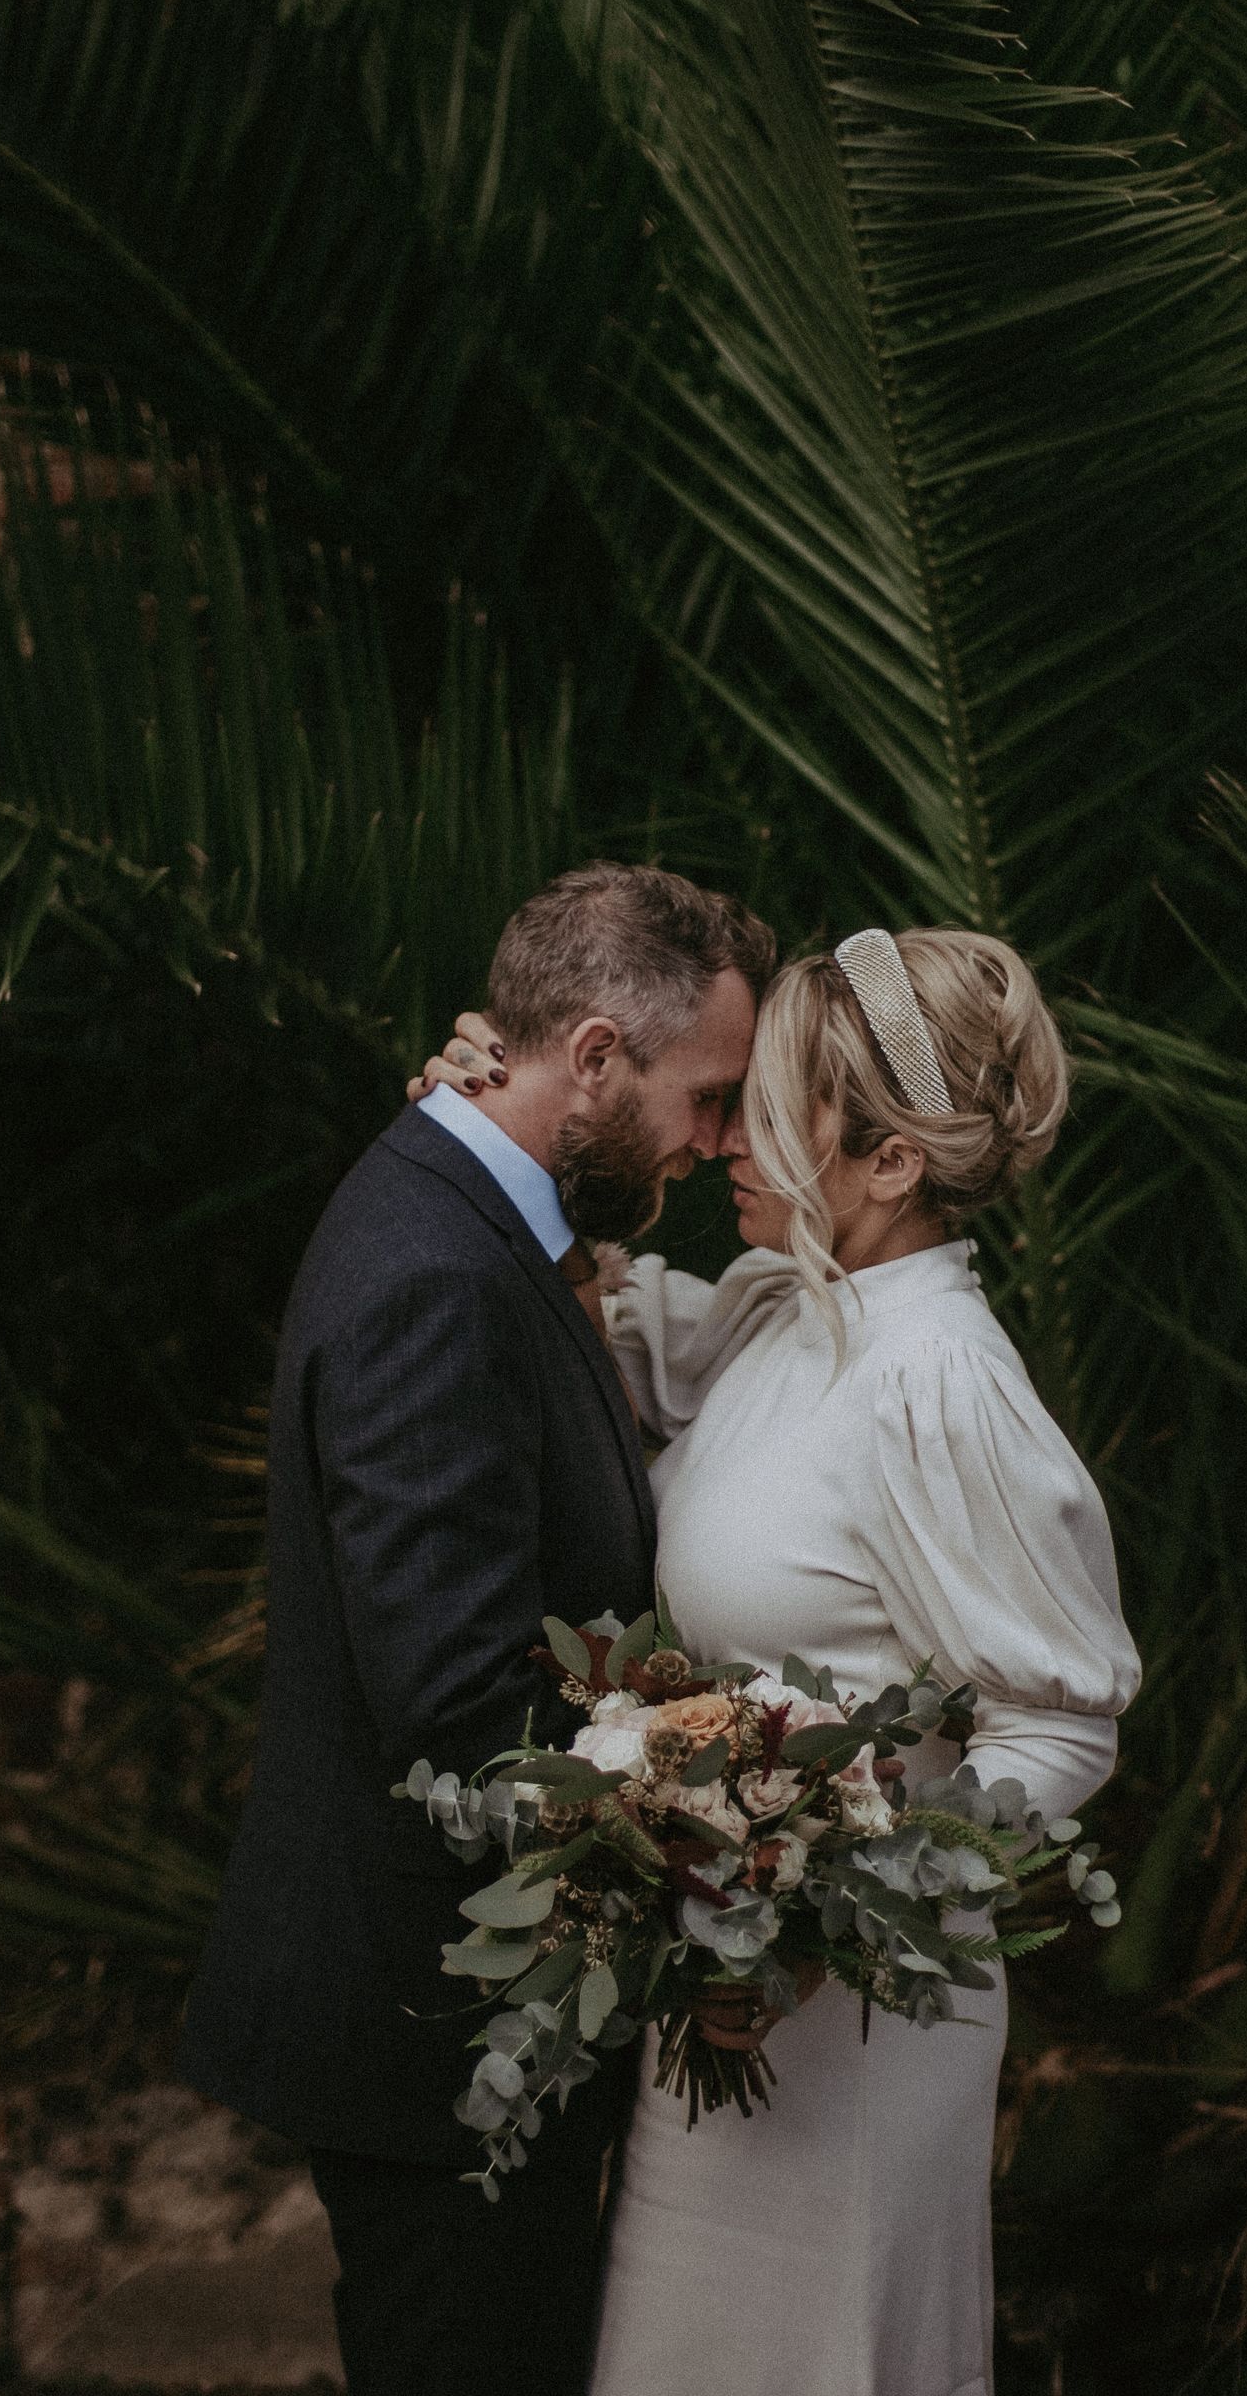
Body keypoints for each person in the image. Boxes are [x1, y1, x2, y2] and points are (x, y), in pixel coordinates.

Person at [415, 925, 1140, 2396]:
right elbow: (573, 1316)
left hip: (854, 2035)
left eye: (771, 1105)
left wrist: (841, 1914)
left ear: (887, 1165)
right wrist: (481, 1120)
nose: (725, 1130)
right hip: (722, 2007)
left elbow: (1061, 1722)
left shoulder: (941, 1385)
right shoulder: (786, 1313)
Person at [175, 862, 774, 2396]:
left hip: (468, 2026)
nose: (716, 1148)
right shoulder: (434, 1275)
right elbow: (459, 1711)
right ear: (591, 1058)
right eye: (706, 1100)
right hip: (433, 2038)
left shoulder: (485, 1228)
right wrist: (745, 1805)